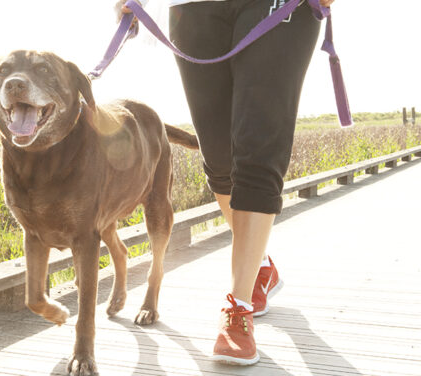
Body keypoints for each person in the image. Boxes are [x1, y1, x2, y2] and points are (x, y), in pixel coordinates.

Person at [115, 0, 336, 366]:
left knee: (257, 153)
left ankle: (238, 310)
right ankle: (259, 265)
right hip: (194, 7)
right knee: (219, 162)